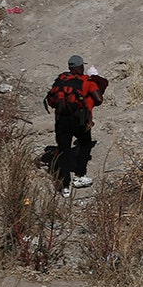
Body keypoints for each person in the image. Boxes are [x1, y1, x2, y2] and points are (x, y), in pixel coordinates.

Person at [42, 55, 108, 197]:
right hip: (79, 120)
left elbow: (52, 101)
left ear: (70, 67)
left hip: (61, 120)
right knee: (85, 144)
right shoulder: (86, 81)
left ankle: (65, 187)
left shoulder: (60, 80)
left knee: (64, 151)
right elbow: (99, 99)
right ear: (80, 67)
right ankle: (79, 176)